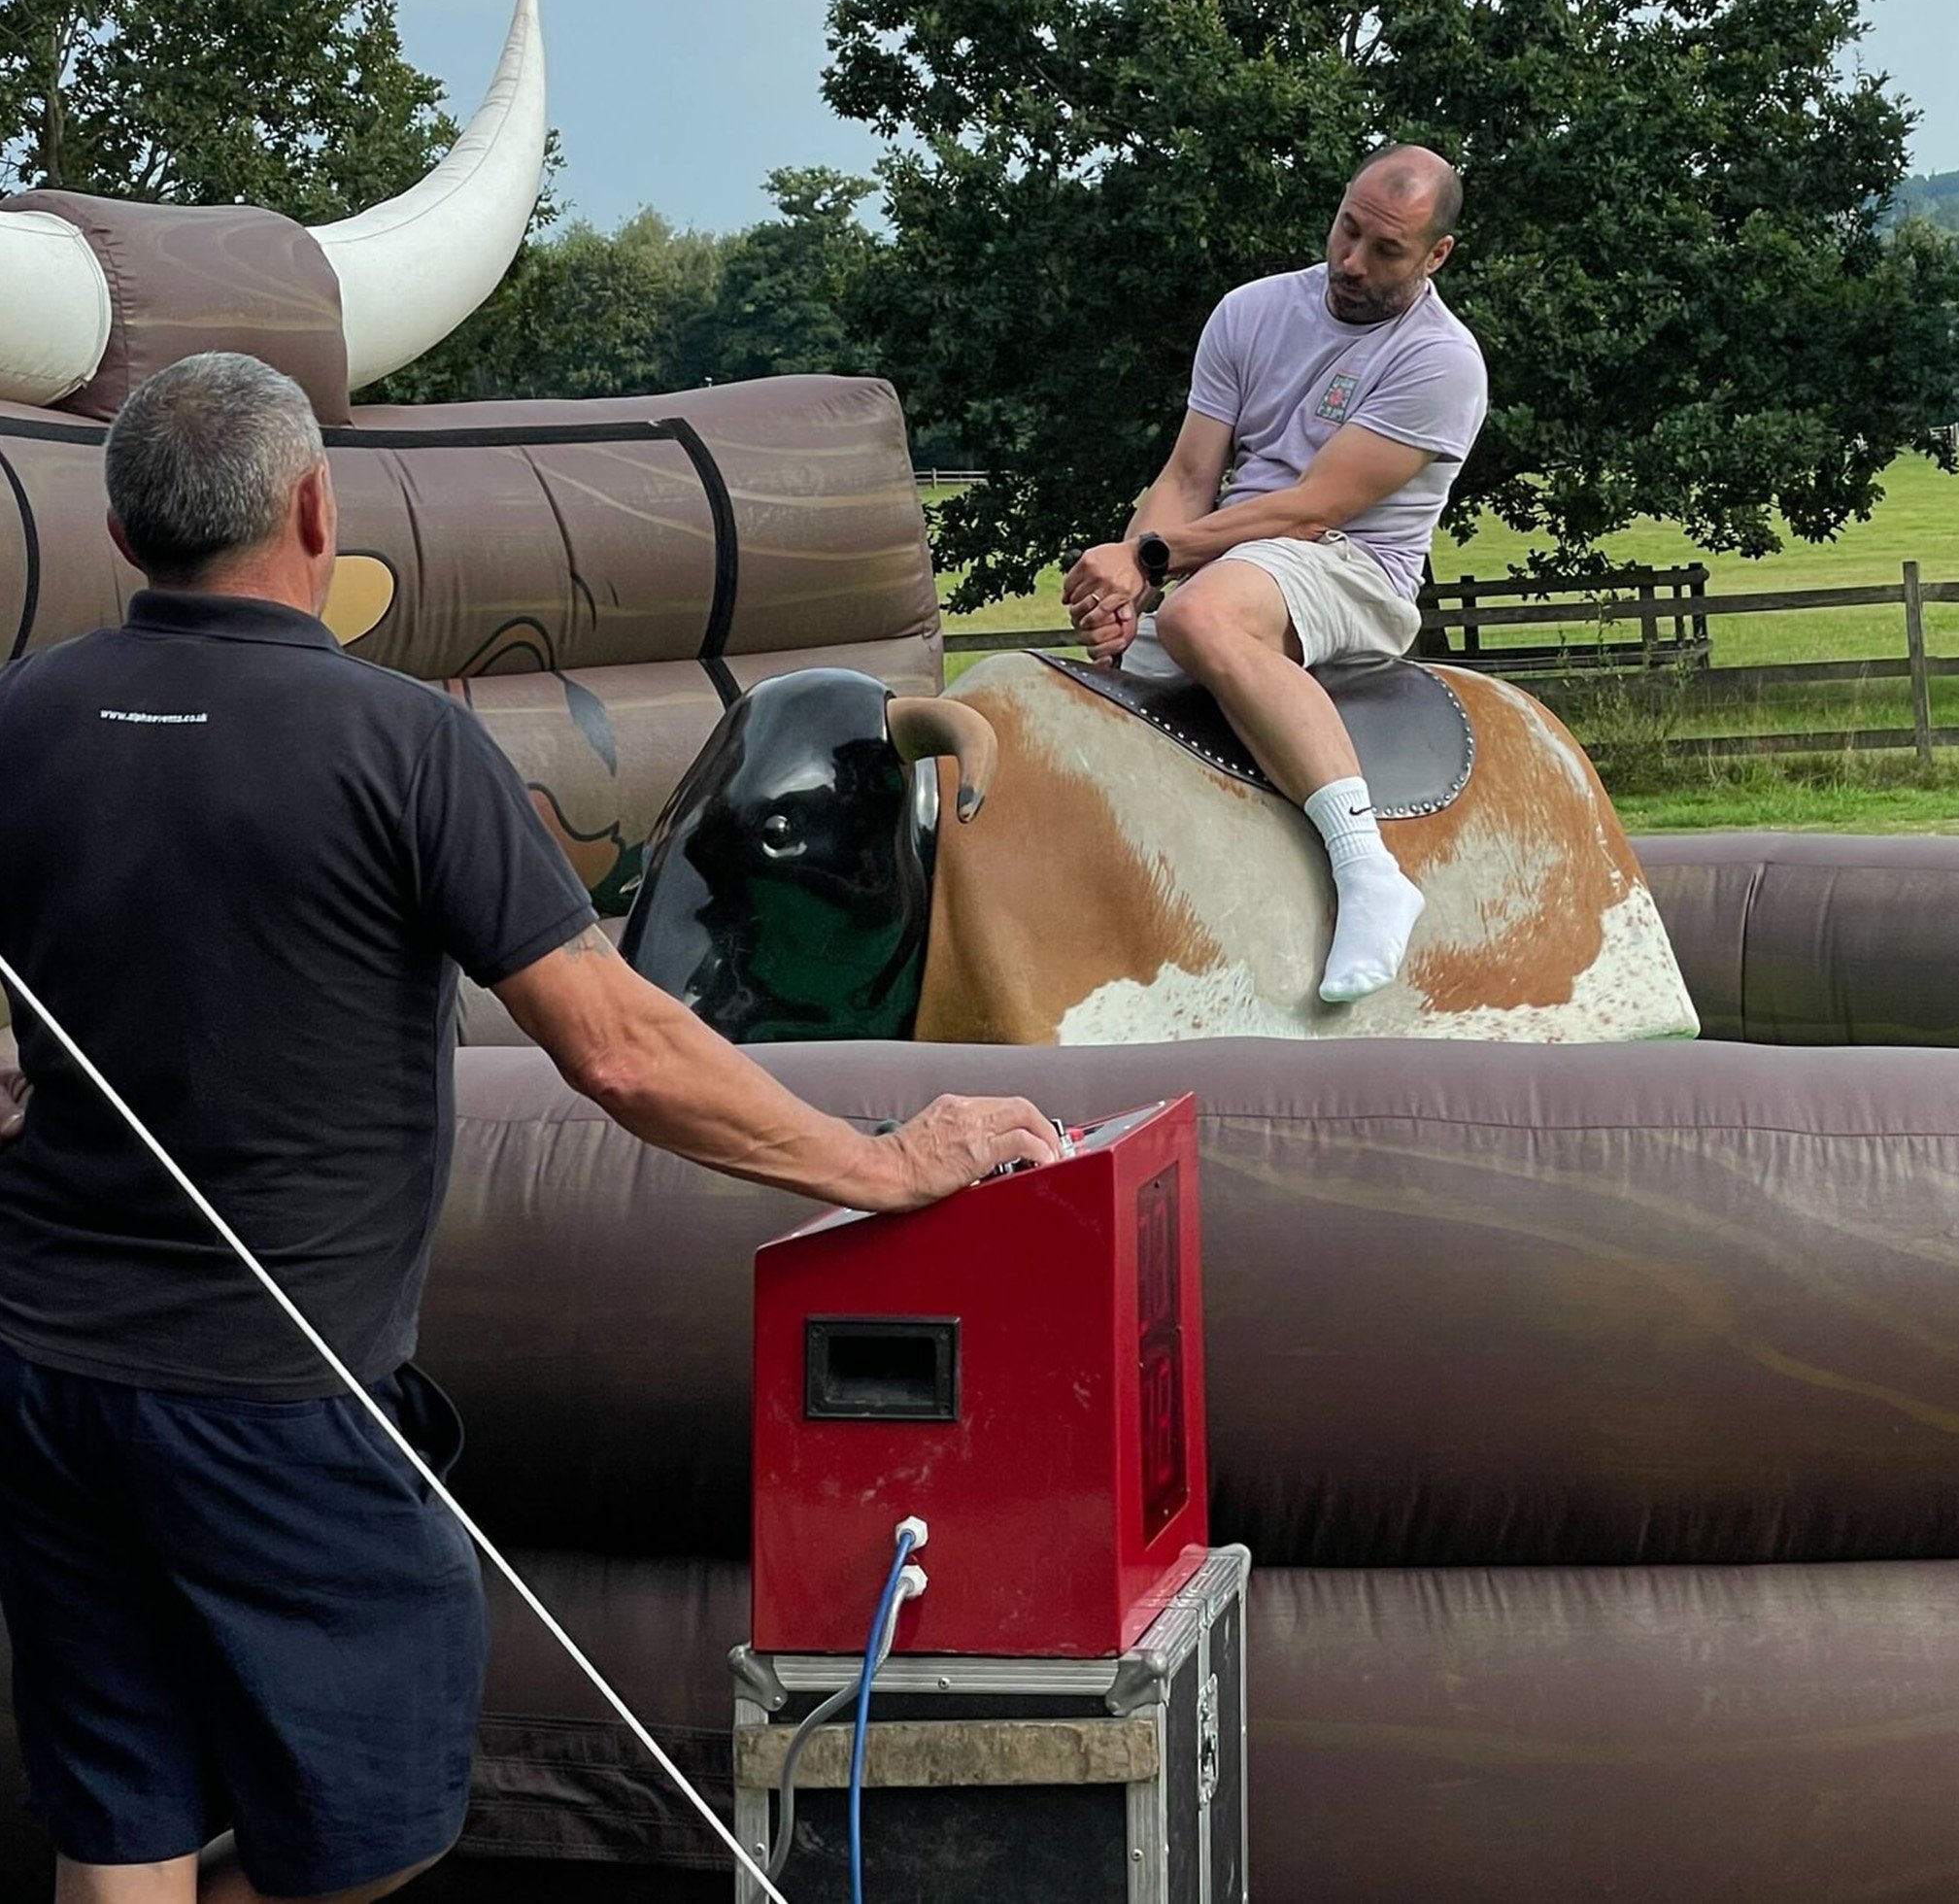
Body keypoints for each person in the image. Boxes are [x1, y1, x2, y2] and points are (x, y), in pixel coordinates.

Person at [0, 353, 1061, 1904]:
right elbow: (622, 1052)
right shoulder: (404, 741)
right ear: (315, 505)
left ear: (120, 525)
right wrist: (883, 1164)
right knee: (368, 1832)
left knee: (123, 1814)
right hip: (277, 1400)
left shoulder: (21, 711)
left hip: (40, 1374)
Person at [1062, 147, 1487, 1004]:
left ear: (1437, 255)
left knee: (1202, 619)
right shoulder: (1250, 312)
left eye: (1385, 251)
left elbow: (1309, 509)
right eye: (1346, 229)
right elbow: (1187, 479)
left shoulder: (1443, 362)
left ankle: (1369, 872)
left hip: (1352, 565)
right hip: (1236, 559)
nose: (1351, 262)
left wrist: (1154, 565)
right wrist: (1127, 586)